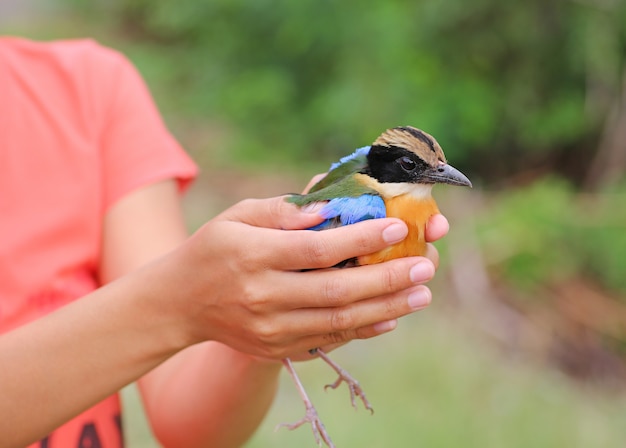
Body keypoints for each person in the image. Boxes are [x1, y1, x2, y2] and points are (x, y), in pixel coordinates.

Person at [0, 36, 448, 448]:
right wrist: (180, 303)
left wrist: (267, 328)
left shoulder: (90, 87)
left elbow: (187, 422)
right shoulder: (368, 202)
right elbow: (179, 305)